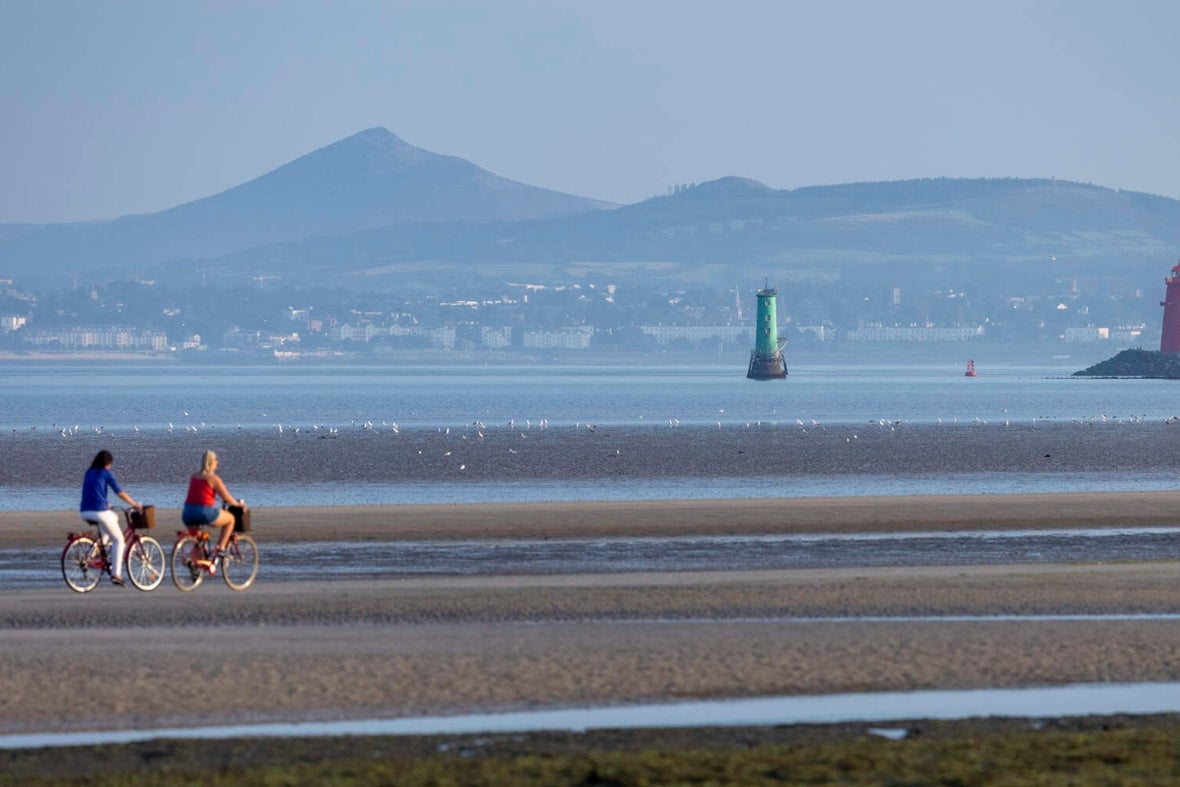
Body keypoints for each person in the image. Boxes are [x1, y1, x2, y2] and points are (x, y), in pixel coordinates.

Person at [78, 449, 142, 586]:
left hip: (84, 511)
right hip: (98, 512)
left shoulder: (89, 472)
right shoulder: (106, 473)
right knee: (120, 540)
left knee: (113, 517)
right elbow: (120, 492)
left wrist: (106, 504)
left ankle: (98, 547)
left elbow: (94, 492)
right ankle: (116, 575)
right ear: (108, 464)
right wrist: (134, 504)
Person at [182, 449, 246, 568]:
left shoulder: (194, 476)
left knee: (198, 539)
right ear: (212, 462)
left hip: (187, 512)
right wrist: (238, 505)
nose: (218, 463)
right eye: (216, 460)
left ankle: (198, 565)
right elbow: (226, 497)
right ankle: (221, 548)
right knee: (231, 519)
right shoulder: (213, 479)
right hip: (204, 512)